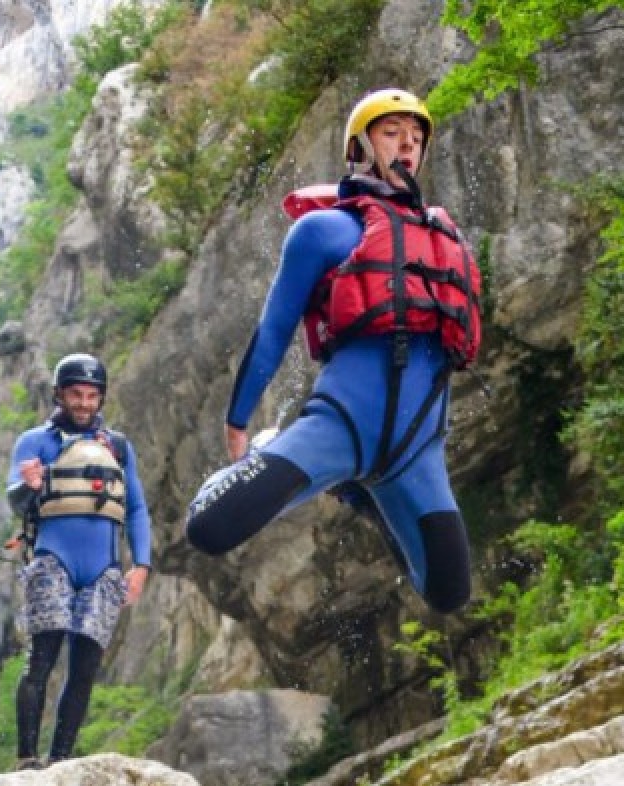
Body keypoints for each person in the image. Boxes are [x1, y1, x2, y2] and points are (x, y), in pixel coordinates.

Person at [186, 88, 482, 614]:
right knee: (209, 528)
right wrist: (237, 419)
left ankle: (362, 492)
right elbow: (273, 329)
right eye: (392, 133)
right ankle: (272, 455)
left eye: (415, 138)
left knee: (449, 593)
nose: (407, 145)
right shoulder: (323, 231)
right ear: (360, 147)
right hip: (342, 424)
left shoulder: (447, 238)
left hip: (418, 448)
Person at [5, 353, 152, 769]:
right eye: (76, 394)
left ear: (101, 398)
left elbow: (137, 508)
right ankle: (27, 758)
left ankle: (62, 759)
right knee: (42, 658)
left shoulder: (119, 447)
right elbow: (15, 499)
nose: (85, 403)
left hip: (103, 569)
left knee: (85, 667)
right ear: (59, 395)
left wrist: (141, 565)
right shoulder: (34, 442)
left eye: (92, 396)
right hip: (53, 559)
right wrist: (29, 486)